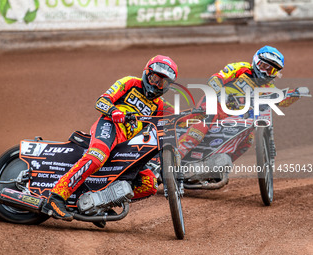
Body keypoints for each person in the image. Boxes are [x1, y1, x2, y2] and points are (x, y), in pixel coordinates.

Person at [41, 55, 178, 220]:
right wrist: (115, 112)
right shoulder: (129, 83)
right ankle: (56, 197)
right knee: (97, 156)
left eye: (161, 82)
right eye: (154, 78)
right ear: (146, 73)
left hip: (126, 146)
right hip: (109, 126)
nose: (156, 84)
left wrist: (199, 115)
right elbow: (101, 101)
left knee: (150, 184)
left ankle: (99, 203)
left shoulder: (161, 105)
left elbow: (177, 118)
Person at [178, 45, 309, 166]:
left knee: (248, 139)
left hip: (235, 117)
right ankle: (178, 155)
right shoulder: (241, 68)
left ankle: (217, 165)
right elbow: (215, 79)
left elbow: (280, 100)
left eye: (271, 70)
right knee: (208, 117)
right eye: (264, 66)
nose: (266, 72)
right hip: (216, 104)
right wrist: (222, 94)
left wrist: (295, 94)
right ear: (256, 61)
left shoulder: (268, 86)